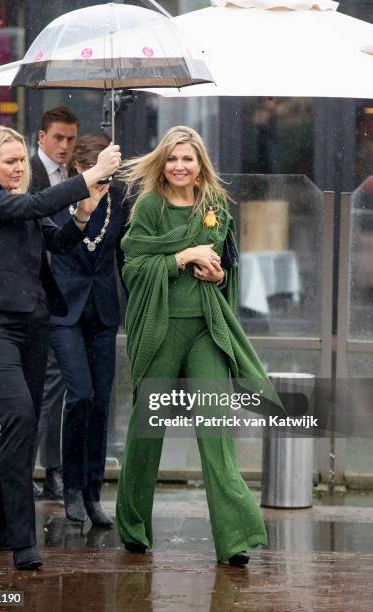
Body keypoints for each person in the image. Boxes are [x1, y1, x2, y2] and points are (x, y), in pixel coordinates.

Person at [115, 126, 284, 568]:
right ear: (162, 162)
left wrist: (219, 277)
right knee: (146, 430)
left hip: (206, 329)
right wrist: (182, 256)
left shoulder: (215, 208)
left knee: (216, 430)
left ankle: (235, 538)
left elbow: (228, 266)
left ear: (199, 164)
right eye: (172, 158)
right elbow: (134, 264)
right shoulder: (150, 205)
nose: (179, 166)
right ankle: (133, 527)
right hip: (161, 328)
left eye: (187, 159)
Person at [0, 125, 121, 570]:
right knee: (22, 417)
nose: (18, 167)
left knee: (19, 426)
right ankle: (22, 539)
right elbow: (33, 204)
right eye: (10, 161)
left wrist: (83, 214)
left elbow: (60, 240)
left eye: (21, 161)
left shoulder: (23, 206)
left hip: (32, 326)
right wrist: (89, 176)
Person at [49, 133, 130, 526]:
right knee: (78, 395)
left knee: (100, 402)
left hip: (102, 310)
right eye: (100, 167)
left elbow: (128, 255)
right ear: (80, 167)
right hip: (64, 312)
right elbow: (57, 247)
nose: (107, 176)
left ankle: (94, 492)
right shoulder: (60, 199)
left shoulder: (120, 201)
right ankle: (72, 489)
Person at [30, 106, 79, 500]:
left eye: (70, 139)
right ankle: (43, 469)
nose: (64, 146)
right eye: (58, 138)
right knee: (42, 386)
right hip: (34, 294)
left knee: (52, 384)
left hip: (64, 298)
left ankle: (52, 470)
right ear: (41, 137)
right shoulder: (26, 173)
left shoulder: (75, 173)